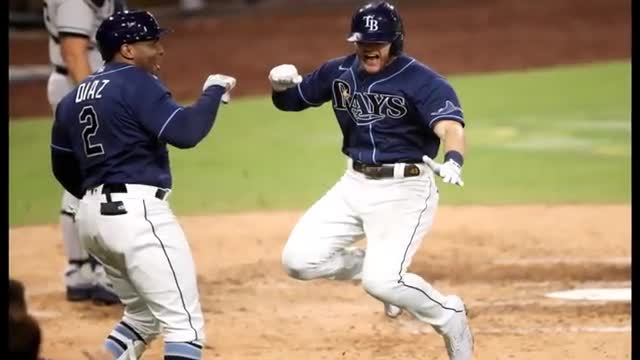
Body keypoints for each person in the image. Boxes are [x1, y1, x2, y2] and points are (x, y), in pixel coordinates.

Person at [268, 1, 473, 359]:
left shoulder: (422, 81)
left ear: (396, 41)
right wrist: (278, 86)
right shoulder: (339, 73)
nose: (369, 48)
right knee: (298, 261)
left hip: (405, 190)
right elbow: (291, 103)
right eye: (363, 40)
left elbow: (450, 128)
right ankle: (380, 269)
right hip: (353, 183)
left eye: (378, 41)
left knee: (383, 282)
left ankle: (449, 315)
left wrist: (453, 159)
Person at [50, 9, 236, 359]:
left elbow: (63, 169)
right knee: (185, 327)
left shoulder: (70, 100)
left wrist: (97, 198)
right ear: (128, 50)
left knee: (142, 317)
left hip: (91, 221)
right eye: (152, 43)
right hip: (137, 216)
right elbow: (186, 132)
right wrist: (212, 92)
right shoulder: (136, 81)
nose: (160, 50)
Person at [43, 0, 127, 305]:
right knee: (98, 176)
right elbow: (74, 52)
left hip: (83, 84)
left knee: (85, 177)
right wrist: (93, 98)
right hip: (77, 84)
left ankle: (81, 272)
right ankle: (99, 271)